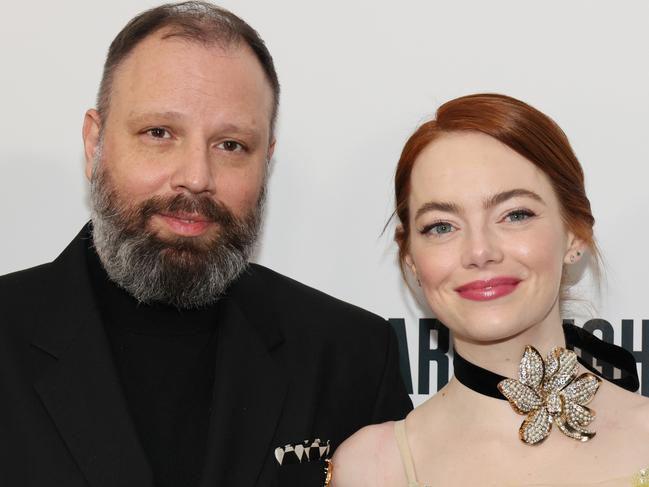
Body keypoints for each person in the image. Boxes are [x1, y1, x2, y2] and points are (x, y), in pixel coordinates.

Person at [0, 2, 412, 486]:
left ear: (266, 160)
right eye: (159, 133)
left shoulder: (349, 356)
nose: (196, 178)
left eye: (231, 145)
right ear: (95, 143)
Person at [331, 94, 649, 487]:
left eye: (515, 215)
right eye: (441, 226)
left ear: (574, 234)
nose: (480, 252)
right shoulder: (372, 469)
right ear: (410, 256)